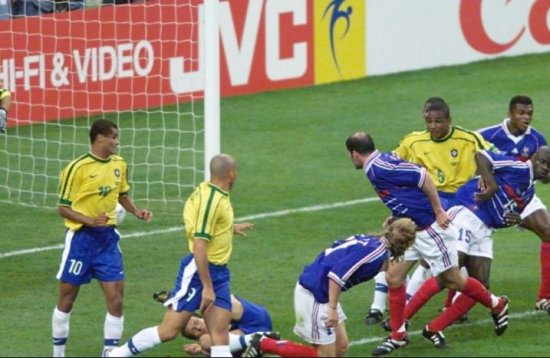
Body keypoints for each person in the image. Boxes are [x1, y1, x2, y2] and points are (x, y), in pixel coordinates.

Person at [345, 132, 509, 356]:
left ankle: (497, 304)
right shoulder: (379, 163)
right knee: (393, 277)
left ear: (354, 154)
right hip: (411, 230)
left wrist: (439, 210)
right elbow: (403, 192)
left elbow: (421, 176)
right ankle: (398, 335)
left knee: (453, 280)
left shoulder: (379, 168)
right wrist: (396, 216)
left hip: (431, 231)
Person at [106, 153, 254, 358]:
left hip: (219, 272)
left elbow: (206, 227)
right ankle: (115, 355)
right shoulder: (212, 201)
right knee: (168, 331)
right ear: (231, 173)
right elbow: (200, 246)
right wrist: (207, 286)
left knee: (219, 336)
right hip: (199, 272)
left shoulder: (210, 190)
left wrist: (228, 228)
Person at [365, 97, 495, 325]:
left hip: (461, 204)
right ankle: (378, 308)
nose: (433, 126)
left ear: (449, 120)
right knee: (398, 247)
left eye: (438, 121)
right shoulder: (413, 142)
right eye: (429, 121)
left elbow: (494, 158)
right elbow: (392, 167)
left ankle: (428, 307)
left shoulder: (468, 138)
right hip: (426, 204)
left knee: (441, 259)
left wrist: (487, 179)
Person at [406, 147, 550, 348]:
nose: (545, 169)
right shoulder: (517, 167)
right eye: (543, 162)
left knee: (481, 283)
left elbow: (502, 218)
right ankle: (400, 322)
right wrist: (490, 183)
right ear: (533, 158)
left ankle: (434, 328)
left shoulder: (528, 192)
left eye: (549, 168)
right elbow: (481, 155)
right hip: (467, 212)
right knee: (449, 272)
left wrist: (515, 220)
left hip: (485, 228)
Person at [51, 119, 153, 358]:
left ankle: (110, 352)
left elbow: (122, 194)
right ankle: (58, 353)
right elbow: (63, 208)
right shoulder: (77, 168)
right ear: (99, 138)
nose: (118, 142)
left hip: (107, 240)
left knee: (116, 299)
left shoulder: (119, 164)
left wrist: (135, 211)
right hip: (81, 239)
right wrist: (88, 220)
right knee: (67, 298)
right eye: (114, 137)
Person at [293, 218, 417, 357]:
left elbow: (336, 247)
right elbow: (336, 275)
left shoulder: (373, 241)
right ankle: (269, 344)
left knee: (341, 347)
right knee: (326, 355)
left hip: (324, 291)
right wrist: (332, 309)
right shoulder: (375, 252)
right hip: (316, 295)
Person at [478, 95, 550, 314]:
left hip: (523, 197)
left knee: (548, 231)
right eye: (521, 113)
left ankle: (545, 297)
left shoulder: (538, 140)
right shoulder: (487, 135)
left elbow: (544, 174)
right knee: (468, 249)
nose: (526, 117)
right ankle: (455, 302)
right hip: (492, 198)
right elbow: (473, 161)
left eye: (529, 113)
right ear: (510, 113)